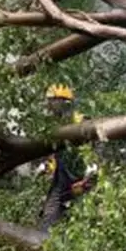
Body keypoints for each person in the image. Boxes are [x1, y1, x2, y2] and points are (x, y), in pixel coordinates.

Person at [37, 84, 98, 231]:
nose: (49, 106)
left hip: (83, 175)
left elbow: (98, 141)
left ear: (63, 102)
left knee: (85, 215)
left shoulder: (81, 120)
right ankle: (43, 240)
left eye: (52, 101)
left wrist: (94, 163)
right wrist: (47, 164)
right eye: (49, 101)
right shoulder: (53, 126)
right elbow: (54, 152)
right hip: (62, 177)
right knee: (48, 215)